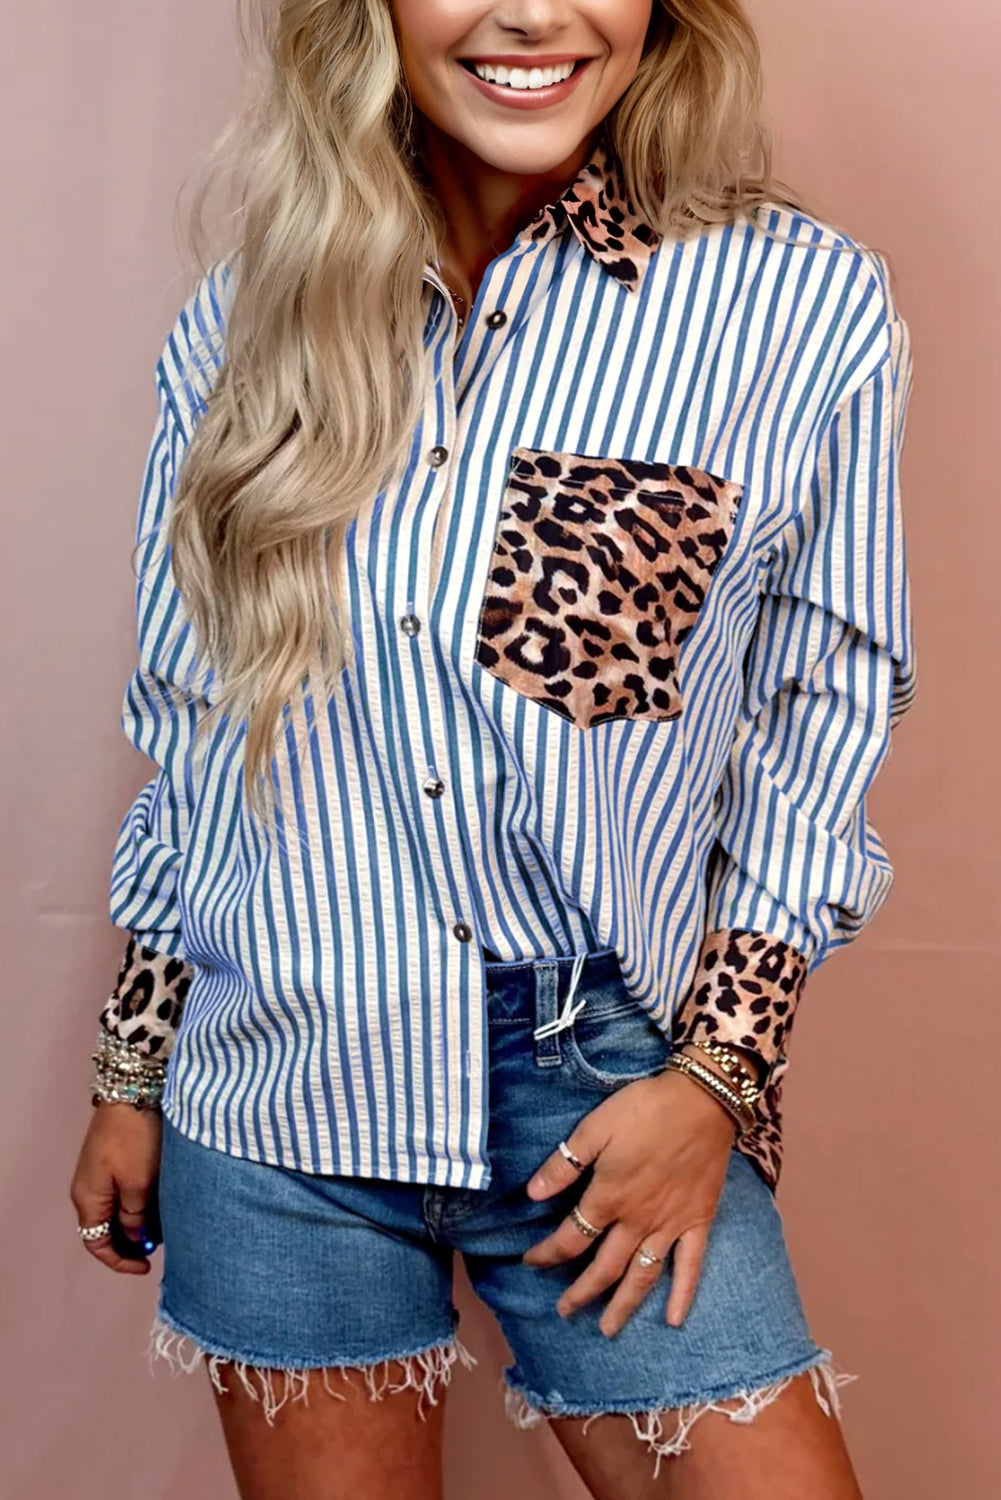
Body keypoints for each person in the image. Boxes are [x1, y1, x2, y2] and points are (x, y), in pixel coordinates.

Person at [69, 1, 915, 1496]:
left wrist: (717, 1076)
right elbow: (198, 722)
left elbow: (821, 714)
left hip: (599, 1078)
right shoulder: (249, 312)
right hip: (278, 1084)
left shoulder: (795, 302)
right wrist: (135, 1064)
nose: (531, 12)